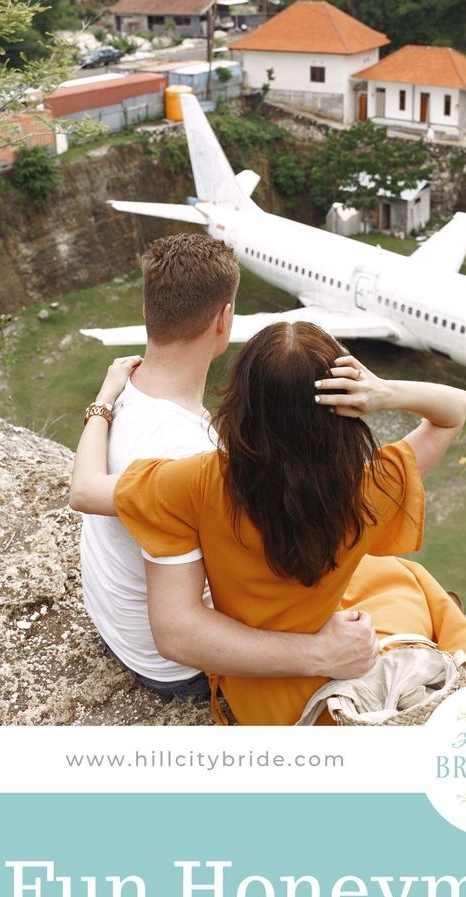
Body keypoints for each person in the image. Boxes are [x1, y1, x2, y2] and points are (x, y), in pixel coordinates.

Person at [71, 321, 466, 726]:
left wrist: (105, 401)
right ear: (344, 406)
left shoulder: (194, 481)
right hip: (333, 662)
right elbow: (454, 409)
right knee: (412, 581)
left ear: (240, 401)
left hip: (261, 693)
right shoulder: (373, 481)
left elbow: (85, 490)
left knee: (401, 579)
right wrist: (384, 393)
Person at [77, 234, 380, 701]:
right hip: (176, 668)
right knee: (376, 593)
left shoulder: (128, 391)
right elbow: (178, 634)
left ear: (147, 309)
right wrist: (321, 653)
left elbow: (86, 489)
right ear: (225, 319)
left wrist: (101, 401)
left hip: (117, 626)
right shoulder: (184, 457)